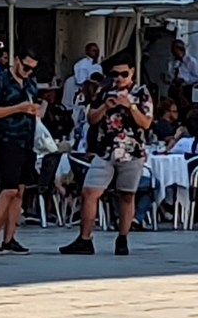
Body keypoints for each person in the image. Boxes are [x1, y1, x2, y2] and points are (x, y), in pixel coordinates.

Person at [60, 53, 153, 257]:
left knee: (127, 195)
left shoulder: (141, 93)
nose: (119, 78)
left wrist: (130, 106)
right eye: (115, 74)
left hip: (131, 151)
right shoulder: (104, 91)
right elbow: (92, 118)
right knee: (89, 192)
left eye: (123, 74)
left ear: (132, 72)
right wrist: (105, 106)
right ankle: (85, 239)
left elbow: (146, 123)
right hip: (105, 150)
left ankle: (123, 238)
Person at [0, 48, 40, 256]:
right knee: (9, 189)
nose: (28, 72)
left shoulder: (30, 84)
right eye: (26, 67)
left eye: (32, 69)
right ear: (17, 60)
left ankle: (10, 238)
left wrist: (35, 110)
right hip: (7, 140)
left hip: (27, 141)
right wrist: (18, 108)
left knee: (20, 190)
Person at [63, 43, 102, 110]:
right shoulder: (70, 81)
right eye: (94, 50)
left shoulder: (98, 67)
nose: (96, 53)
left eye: (97, 51)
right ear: (87, 51)